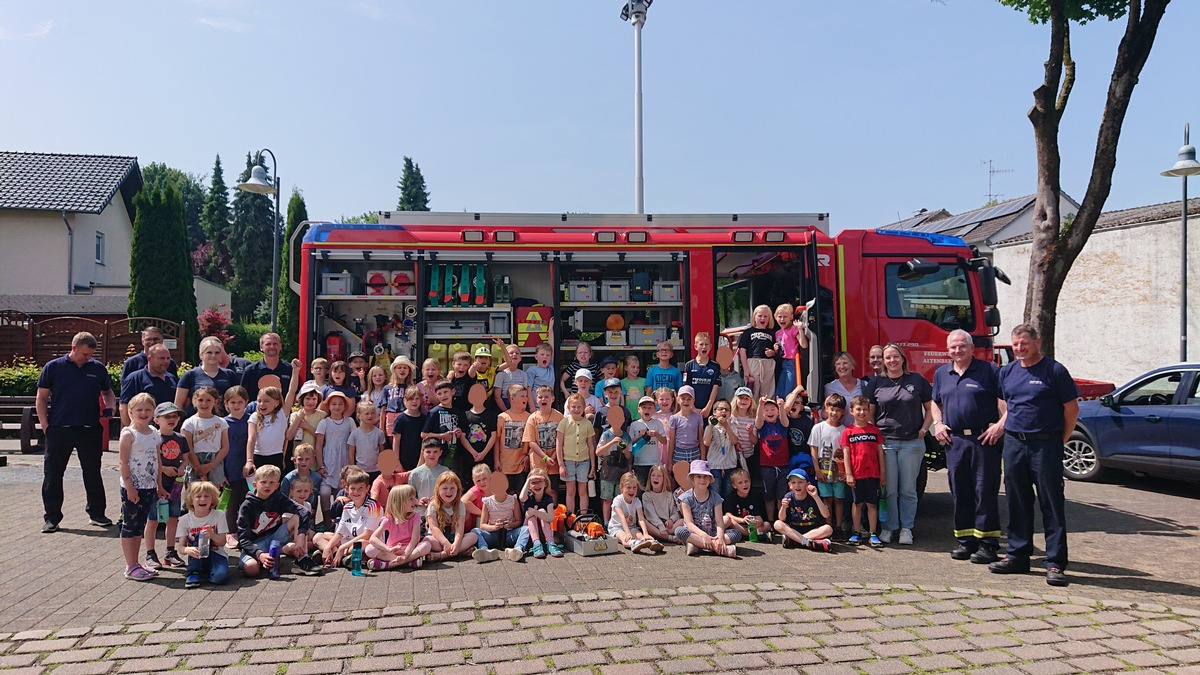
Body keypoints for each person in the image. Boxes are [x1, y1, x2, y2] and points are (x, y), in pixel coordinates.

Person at [989, 324, 1079, 588]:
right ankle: (1017, 556)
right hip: (1014, 444)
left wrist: (1060, 440)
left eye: (1024, 343)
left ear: (1037, 342)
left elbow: (1071, 409)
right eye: (1015, 344)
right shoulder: (1007, 371)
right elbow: (1003, 401)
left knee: (1051, 504)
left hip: (1045, 446)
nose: (1019, 348)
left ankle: (1055, 563)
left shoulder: (1055, 370)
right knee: (1017, 501)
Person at [932, 329, 1006, 564]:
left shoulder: (989, 371)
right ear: (948, 350)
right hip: (955, 442)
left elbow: (1006, 402)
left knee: (984, 491)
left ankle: (988, 544)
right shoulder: (941, 373)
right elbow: (935, 402)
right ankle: (965, 541)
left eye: (962, 346)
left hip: (983, 440)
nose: (958, 350)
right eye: (953, 347)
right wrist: (937, 423)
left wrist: (1000, 426)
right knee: (960, 491)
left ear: (972, 348)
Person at [37, 331, 117, 532]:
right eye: (84, 354)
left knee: (92, 472)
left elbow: (108, 392)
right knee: (53, 474)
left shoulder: (97, 368)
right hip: (59, 429)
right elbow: (41, 397)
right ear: (74, 348)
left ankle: (97, 514)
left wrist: (111, 406)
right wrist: (45, 425)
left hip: (89, 429)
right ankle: (52, 518)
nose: (87, 358)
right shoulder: (53, 367)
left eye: (90, 355)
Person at [861, 344, 932, 545]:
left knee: (908, 490)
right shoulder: (876, 382)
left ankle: (906, 529)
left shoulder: (917, 380)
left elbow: (931, 407)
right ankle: (888, 528)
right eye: (888, 358)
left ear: (903, 358)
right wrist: (875, 436)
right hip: (886, 444)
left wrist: (924, 430)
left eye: (895, 357)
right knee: (888, 490)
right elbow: (869, 414)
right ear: (884, 361)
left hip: (912, 443)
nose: (892, 360)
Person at [117, 393, 166, 580]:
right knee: (129, 525)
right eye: (139, 410)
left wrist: (159, 485)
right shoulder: (128, 434)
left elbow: (158, 461)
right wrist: (130, 487)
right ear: (130, 412)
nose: (143, 413)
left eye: (148, 409)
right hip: (132, 488)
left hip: (149, 487)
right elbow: (123, 463)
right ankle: (130, 566)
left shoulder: (154, 433)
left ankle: (136, 563)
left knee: (140, 525)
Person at [236, 464, 317, 577]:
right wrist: (259, 554)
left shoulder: (278, 498)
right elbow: (243, 539)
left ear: (277, 485)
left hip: (275, 540)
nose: (267, 486)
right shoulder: (247, 506)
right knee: (251, 569)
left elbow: (304, 511)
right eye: (263, 482)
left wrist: (301, 536)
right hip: (254, 544)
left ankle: (302, 559)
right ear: (255, 484)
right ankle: (263, 559)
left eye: (271, 483)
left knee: (297, 517)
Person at [144, 402, 196, 570]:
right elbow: (150, 461)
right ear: (156, 420)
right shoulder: (153, 438)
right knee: (153, 520)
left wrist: (182, 467)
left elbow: (186, 458)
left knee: (173, 519)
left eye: (174, 416)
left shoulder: (180, 438)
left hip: (175, 486)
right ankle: (150, 553)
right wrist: (164, 469)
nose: (172, 419)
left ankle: (170, 552)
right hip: (156, 486)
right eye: (167, 416)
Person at [312, 467, 379, 568]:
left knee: (360, 545)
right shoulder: (347, 506)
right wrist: (328, 547)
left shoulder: (374, 506)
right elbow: (339, 532)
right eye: (353, 488)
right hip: (347, 540)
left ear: (367, 488)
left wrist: (342, 547)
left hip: (363, 541)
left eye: (360, 488)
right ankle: (337, 556)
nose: (356, 492)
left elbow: (367, 535)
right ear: (347, 489)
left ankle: (335, 555)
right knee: (318, 537)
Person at [842, 395, 885, 548]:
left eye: (865, 409)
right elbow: (846, 454)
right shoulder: (848, 431)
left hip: (873, 474)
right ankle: (856, 531)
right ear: (851, 411)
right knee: (857, 503)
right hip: (856, 474)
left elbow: (880, 453)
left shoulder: (875, 431)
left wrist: (883, 473)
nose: (862, 412)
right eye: (858, 409)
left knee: (872, 504)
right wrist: (848, 474)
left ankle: (873, 533)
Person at [246, 360, 304, 472]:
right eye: (259, 401)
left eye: (266, 401)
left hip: (276, 457)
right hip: (257, 456)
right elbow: (251, 439)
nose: (262, 404)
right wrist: (249, 460)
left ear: (276, 403)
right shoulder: (254, 417)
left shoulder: (282, 414)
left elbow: (291, 391)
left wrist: (295, 371)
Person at [675, 459, 738, 557]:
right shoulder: (686, 498)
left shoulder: (716, 498)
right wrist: (703, 535)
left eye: (705, 476)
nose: (702, 479)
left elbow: (719, 522)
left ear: (710, 479)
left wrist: (720, 537)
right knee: (679, 531)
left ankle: (698, 546)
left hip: (712, 532)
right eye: (698, 476)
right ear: (692, 478)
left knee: (736, 533)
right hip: (695, 533)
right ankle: (721, 549)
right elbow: (689, 523)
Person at [365, 484, 432, 570]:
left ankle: (389, 565)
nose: (415, 501)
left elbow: (414, 540)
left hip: (410, 550)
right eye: (411, 499)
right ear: (400, 502)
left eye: (415, 497)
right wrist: (388, 549)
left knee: (426, 545)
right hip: (393, 551)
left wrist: (404, 555)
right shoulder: (389, 519)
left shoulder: (415, 516)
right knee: (369, 549)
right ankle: (408, 562)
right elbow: (373, 538)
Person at [809, 394, 849, 539]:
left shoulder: (844, 430)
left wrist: (846, 472)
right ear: (826, 409)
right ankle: (828, 526)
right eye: (832, 409)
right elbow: (813, 449)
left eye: (838, 410)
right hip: (823, 469)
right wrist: (817, 470)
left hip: (839, 470)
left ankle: (838, 527)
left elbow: (846, 452)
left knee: (839, 499)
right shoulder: (818, 428)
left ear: (843, 412)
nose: (834, 413)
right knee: (827, 499)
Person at [177, 481, 230, 588]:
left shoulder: (219, 515)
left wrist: (213, 535)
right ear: (191, 500)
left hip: (216, 554)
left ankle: (205, 572)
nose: (202, 499)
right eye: (198, 496)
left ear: (213, 499)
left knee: (220, 577)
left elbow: (222, 542)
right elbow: (181, 548)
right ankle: (194, 572)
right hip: (197, 555)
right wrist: (187, 550)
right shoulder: (184, 520)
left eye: (207, 496)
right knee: (201, 535)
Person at [174, 336, 237, 416]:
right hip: (196, 421)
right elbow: (178, 404)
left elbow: (237, 399)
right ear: (201, 355)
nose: (213, 355)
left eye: (217, 353)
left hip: (223, 420)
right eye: (209, 352)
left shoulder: (230, 374)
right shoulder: (190, 375)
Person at [119, 343, 178, 428]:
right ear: (149, 358)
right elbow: (124, 407)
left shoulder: (172, 379)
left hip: (168, 430)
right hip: (143, 430)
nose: (166, 361)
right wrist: (132, 430)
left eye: (168, 358)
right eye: (162, 358)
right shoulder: (134, 378)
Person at [470, 481, 529, 563]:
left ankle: (518, 549)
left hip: (509, 534)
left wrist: (510, 524)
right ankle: (484, 550)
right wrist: (494, 527)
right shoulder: (487, 501)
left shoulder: (513, 499)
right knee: (475, 531)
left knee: (526, 529)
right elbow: (482, 525)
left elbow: (519, 521)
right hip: (493, 535)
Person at [556, 393, 596, 515]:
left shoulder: (587, 424)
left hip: (584, 461)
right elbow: (559, 445)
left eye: (579, 407)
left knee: (583, 491)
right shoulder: (564, 423)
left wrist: (593, 466)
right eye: (573, 407)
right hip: (568, 461)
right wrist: (561, 465)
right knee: (570, 491)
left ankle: (583, 517)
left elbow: (591, 446)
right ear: (568, 408)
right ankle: (570, 517)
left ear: (584, 408)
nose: (576, 409)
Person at [181, 386, 229, 486]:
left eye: (208, 400)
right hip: (195, 462)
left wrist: (211, 465)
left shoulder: (221, 422)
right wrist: (198, 468)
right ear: (194, 401)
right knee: (195, 491)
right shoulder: (189, 423)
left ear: (215, 402)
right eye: (200, 400)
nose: (204, 404)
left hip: (215, 462)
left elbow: (225, 447)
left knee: (213, 492)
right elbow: (188, 448)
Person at [222, 386, 252, 545]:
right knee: (231, 501)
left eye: (240, 402)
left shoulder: (251, 420)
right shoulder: (223, 423)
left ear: (246, 402)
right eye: (232, 402)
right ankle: (231, 531)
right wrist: (221, 471)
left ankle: (246, 529)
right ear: (226, 404)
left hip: (248, 466)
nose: (236, 405)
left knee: (247, 499)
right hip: (230, 466)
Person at [774, 469, 832, 552]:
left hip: (812, 531)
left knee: (828, 529)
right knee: (777, 524)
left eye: (800, 482)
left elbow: (826, 515)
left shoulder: (813, 496)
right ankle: (807, 542)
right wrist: (783, 507)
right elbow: (781, 518)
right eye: (793, 483)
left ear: (808, 484)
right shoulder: (788, 496)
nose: (797, 485)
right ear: (789, 485)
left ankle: (796, 541)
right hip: (795, 530)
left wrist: (815, 496)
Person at [426, 472, 479, 561]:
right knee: (427, 541)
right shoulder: (433, 505)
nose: (449, 491)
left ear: (458, 489)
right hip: (438, 538)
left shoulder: (460, 505)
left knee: (474, 536)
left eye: (452, 488)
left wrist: (457, 544)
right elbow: (433, 528)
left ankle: (442, 555)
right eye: (445, 488)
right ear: (438, 490)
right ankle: (459, 552)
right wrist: (445, 543)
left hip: (454, 537)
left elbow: (460, 528)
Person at [119, 326, 178, 400]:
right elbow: (125, 390)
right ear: (142, 341)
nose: (152, 342)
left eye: (156, 339)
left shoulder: (169, 363)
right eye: (148, 339)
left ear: (162, 341)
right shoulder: (131, 363)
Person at [609, 472, 661, 553]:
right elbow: (622, 518)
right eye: (628, 487)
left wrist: (645, 533)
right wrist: (628, 533)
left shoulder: (637, 501)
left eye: (634, 487)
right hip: (616, 527)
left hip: (631, 527)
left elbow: (641, 519)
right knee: (624, 537)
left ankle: (650, 542)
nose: (632, 490)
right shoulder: (617, 500)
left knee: (640, 535)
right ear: (622, 487)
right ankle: (633, 543)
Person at [519, 469, 562, 559]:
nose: (537, 485)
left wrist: (535, 512)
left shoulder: (548, 499)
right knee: (531, 516)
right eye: (533, 482)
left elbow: (551, 518)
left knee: (542, 511)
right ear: (529, 485)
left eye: (540, 482)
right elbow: (521, 497)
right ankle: (536, 544)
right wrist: (528, 480)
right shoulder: (528, 497)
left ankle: (551, 543)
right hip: (529, 535)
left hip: (544, 533)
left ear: (545, 483)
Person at [737, 305, 777, 400]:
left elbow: (776, 350)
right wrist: (746, 369)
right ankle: (752, 409)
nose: (762, 318)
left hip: (768, 363)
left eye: (765, 316)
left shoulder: (772, 333)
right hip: (753, 362)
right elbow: (742, 350)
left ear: (769, 319)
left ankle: (766, 408)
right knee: (753, 389)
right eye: (759, 316)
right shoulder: (748, 332)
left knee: (767, 391)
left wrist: (773, 352)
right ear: (754, 317)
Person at [240, 332, 292, 402]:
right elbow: (243, 396)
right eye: (268, 344)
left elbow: (296, 394)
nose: (272, 346)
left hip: (284, 409)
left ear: (280, 346)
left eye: (275, 344)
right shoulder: (250, 371)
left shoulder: (290, 369)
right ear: (261, 347)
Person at [723, 467, 772, 542]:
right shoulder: (731, 498)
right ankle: (754, 535)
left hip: (751, 526)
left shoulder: (755, 496)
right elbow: (728, 515)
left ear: (750, 481)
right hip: (738, 525)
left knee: (767, 525)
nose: (744, 484)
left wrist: (757, 522)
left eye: (746, 481)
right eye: (740, 483)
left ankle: (749, 535)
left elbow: (759, 518)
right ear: (734, 485)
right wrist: (742, 520)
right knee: (730, 522)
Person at [774, 303, 809, 399]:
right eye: (779, 317)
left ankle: (788, 406)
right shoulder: (777, 333)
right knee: (779, 391)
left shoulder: (793, 329)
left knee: (789, 390)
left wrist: (800, 329)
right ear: (775, 318)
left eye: (785, 317)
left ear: (791, 317)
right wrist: (775, 348)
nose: (782, 319)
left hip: (792, 362)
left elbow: (804, 344)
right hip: (782, 363)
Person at [683, 332, 722, 418]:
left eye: (706, 344)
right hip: (691, 409)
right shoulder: (689, 365)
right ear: (695, 346)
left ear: (710, 346)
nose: (704, 347)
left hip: (708, 410)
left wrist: (708, 407)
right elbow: (686, 388)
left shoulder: (715, 366)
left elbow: (715, 388)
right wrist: (692, 407)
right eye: (701, 344)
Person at [642, 464, 682, 544]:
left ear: (664, 479)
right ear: (650, 478)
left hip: (668, 525)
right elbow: (651, 515)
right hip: (654, 525)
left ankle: (664, 535)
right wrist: (661, 526)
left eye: (659, 476)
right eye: (653, 475)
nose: (655, 478)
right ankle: (668, 537)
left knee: (682, 521)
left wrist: (671, 520)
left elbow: (675, 512)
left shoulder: (669, 495)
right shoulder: (646, 495)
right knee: (643, 522)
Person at [348, 401, 386, 481]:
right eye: (367, 414)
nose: (370, 416)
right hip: (360, 470)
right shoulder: (354, 434)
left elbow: (382, 452)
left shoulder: (379, 433)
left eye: (372, 413)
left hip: (376, 470)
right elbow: (351, 454)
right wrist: (353, 470)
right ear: (359, 415)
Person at [667, 385, 704, 464]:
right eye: (683, 399)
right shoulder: (674, 418)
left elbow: (701, 439)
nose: (686, 402)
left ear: (693, 400)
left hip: (695, 451)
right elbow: (672, 441)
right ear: (678, 400)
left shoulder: (698, 417)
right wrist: (669, 461)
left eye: (689, 399)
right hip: (679, 452)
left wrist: (703, 458)